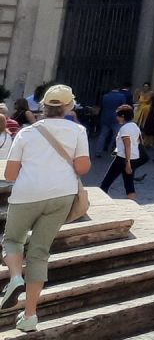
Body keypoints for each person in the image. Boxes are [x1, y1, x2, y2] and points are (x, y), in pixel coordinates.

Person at [1, 85, 91, 334]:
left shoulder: (27, 133)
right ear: (69, 106)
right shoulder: (78, 131)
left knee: (12, 241)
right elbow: (83, 168)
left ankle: (16, 276)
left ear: (42, 106)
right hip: (61, 195)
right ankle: (29, 315)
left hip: (26, 195)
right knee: (40, 253)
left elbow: (9, 174)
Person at [97, 104, 146, 200]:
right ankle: (133, 205)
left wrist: (127, 163)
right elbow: (139, 142)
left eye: (118, 116)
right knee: (129, 185)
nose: (117, 118)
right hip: (134, 157)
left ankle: (100, 202)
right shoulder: (135, 126)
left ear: (123, 116)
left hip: (123, 158)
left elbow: (127, 146)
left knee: (106, 183)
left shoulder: (124, 129)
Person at [96, 85, 129, 155]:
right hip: (117, 118)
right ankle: (114, 149)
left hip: (105, 117)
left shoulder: (105, 96)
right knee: (117, 135)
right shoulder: (121, 96)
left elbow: (101, 106)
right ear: (118, 88)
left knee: (103, 135)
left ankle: (98, 151)